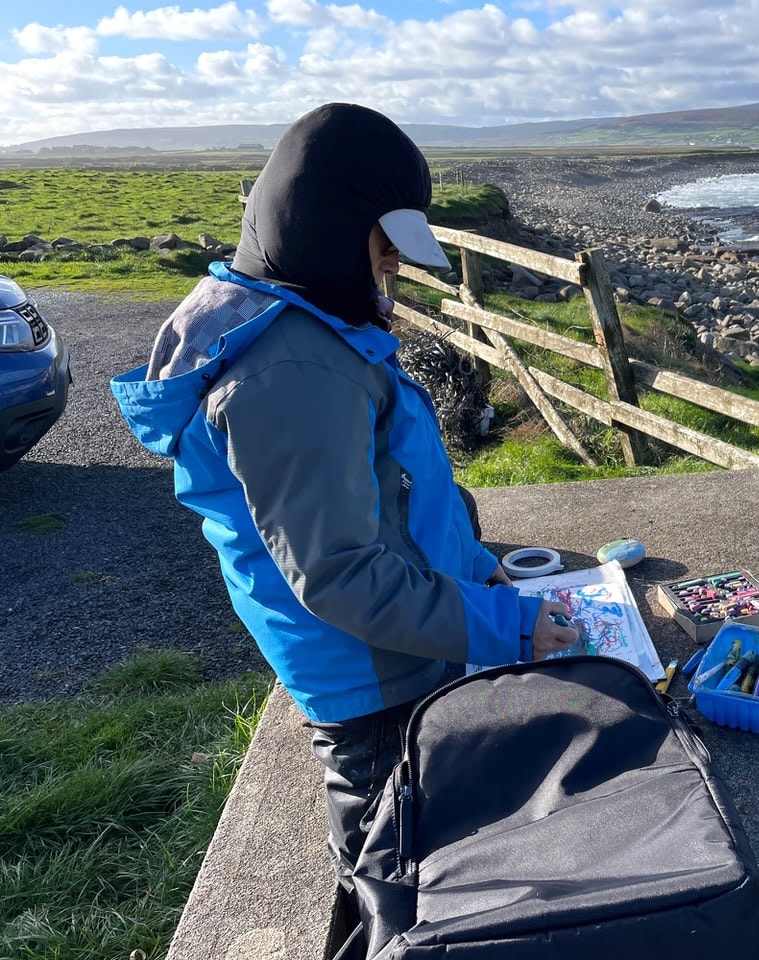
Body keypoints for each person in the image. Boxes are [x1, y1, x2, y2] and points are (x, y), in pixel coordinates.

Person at [110, 102, 579, 893]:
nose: (392, 267)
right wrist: (509, 623)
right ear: (329, 227)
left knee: (431, 853)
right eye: (385, 246)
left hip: (403, 644)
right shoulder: (291, 373)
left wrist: (477, 572)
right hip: (373, 685)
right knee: (397, 874)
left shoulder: (305, 326)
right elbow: (337, 573)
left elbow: (399, 491)